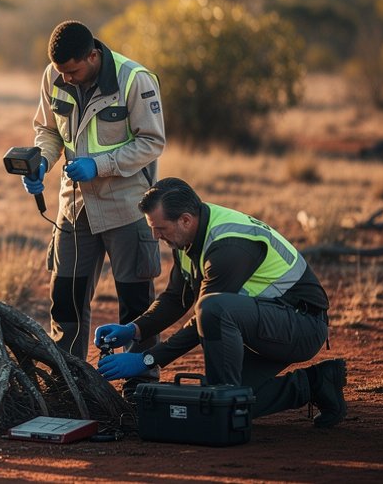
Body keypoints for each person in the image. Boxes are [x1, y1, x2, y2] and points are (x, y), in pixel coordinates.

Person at [94, 177, 347, 428]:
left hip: (302, 327)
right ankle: (317, 383)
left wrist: (147, 360)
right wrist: (134, 329)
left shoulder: (228, 246)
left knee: (213, 319)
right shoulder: (187, 237)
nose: (155, 235)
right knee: (229, 402)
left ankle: (221, 403)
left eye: (160, 228)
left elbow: (206, 316)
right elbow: (175, 298)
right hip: (268, 324)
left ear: (185, 220)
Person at [22, 21, 166, 384]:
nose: (66, 78)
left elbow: (152, 142)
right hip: (74, 207)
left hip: (127, 206)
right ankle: (68, 381)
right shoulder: (54, 76)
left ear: (92, 56)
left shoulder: (135, 80)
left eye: (72, 71)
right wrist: (42, 161)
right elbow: (47, 130)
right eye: (60, 71)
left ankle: (141, 385)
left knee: (136, 302)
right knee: (65, 299)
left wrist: (100, 165)